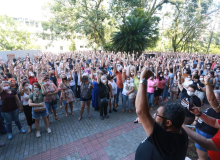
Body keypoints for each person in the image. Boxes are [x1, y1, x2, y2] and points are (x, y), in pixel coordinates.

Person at [135, 69, 188, 160]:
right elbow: (140, 112)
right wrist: (144, 119)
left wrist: (143, 79)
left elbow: (141, 112)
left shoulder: (166, 140)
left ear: (168, 123)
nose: (154, 116)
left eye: (157, 115)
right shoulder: (180, 133)